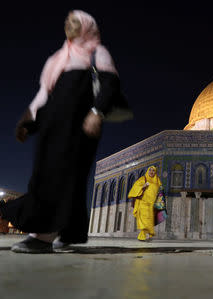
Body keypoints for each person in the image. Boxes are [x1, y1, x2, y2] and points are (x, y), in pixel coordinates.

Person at [0, 10, 129, 253]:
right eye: (67, 21)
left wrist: (96, 112)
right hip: (51, 124)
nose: (69, 24)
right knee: (55, 175)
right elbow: (43, 95)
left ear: (87, 26)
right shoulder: (57, 59)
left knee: (62, 173)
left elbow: (110, 83)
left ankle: (41, 236)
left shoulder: (95, 53)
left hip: (80, 125)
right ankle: (71, 232)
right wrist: (26, 121)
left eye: (75, 21)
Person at [128, 166, 167, 241]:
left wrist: (160, 202)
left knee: (149, 220)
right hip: (143, 202)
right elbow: (135, 187)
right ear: (148, 171)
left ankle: (146, 235)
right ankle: (144, 235)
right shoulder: (143, 179)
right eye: (150, 170)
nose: (151, 172)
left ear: (155, 172)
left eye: (153, 170)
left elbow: (161, 192)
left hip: (152, 204)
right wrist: (143, 186)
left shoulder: (157, 180)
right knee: (144, 219)